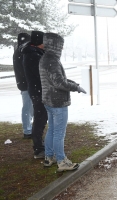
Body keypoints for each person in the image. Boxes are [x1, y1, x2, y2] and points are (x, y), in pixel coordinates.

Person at [39, 32, 86, 172]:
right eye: (61, 45)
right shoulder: (52, 60)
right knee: (59, 132)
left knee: (52, 130)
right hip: (57, 102)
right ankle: (61, 161)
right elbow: (59, 83)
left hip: (48, 100)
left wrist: (73, 83)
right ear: (55, 45)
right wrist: (75, 87)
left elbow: (57, 80)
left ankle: (49, 156)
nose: (62, 48)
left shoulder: (45, 58)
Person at [21, 31, 47, 159]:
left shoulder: (34, 53)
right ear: (39, 42)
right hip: (38, 91)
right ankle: (38, 148)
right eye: (44, 41)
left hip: (38, 90)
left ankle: (41, 145)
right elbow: (41, 74)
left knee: (41, 118)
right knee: (40, 118)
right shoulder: (32, 55)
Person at [12, 33, 33, 139]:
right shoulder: (23, 51)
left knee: (29, 107)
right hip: (27, 84)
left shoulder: (17, 51)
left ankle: (29, 128)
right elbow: (26, 68)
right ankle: (27, 130)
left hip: (23, 83)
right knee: (28, 107)